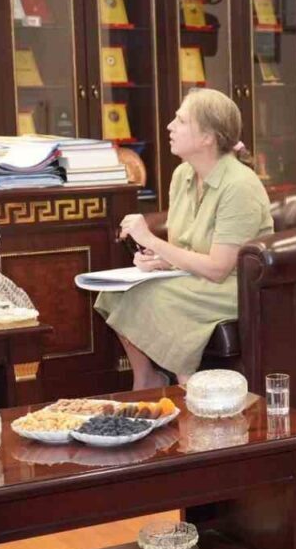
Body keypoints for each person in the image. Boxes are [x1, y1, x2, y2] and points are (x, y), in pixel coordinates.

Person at [95, 89, 272, 389]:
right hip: (197, 277)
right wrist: (160, 260)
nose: (170, 126)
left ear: (207, 138)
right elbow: (186, 248)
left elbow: (218, 268)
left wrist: (153, 241)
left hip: (234, 286)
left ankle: (187, 384)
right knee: (114, 292)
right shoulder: (182, 175)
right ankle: (147, 378)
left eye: (181, 121)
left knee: (155, 297)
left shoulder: (240, 185)